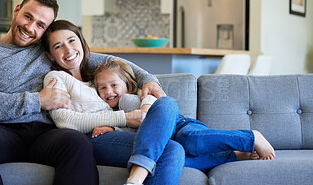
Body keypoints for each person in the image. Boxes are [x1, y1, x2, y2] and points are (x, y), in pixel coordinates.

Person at [0, 0, 163, 185]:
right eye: (28, 17)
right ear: (17, 11)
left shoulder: (51, 51)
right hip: (2, 131)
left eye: (40, 25)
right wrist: (37, 101)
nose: (30, 27)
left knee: (77, 143)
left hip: (48, 132)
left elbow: (116, 63)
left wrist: (150, 80)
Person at [42, 20, 184, 185]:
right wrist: (125, 119)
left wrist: (145, 96)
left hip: (117, 134)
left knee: (173, 142)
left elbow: (131, 73)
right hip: (94, 138)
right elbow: (65, 121)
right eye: (58, 46)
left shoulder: (97, 78)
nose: (68, 49)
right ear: (50, 55)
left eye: (72, 41)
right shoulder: (57, 78)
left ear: (81, 41)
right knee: (171, 147)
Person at [92, 59, 276, 162]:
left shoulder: (130, 99)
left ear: (128, 85)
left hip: (181, 127)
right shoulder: (112, 108)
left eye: (114, 85)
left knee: (191, 141)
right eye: (102, 88)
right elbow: (134, 133)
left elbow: (141, 120)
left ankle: (252, 137)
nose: (108, 91)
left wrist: (114, 125)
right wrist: (113, 129)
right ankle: (234, 155)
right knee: (181, 160)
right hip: (169, 141)